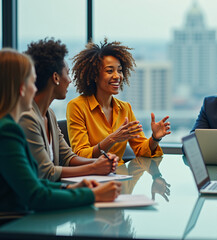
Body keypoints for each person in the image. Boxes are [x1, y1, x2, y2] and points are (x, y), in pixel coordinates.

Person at [0, 48, 122, 213]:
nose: (35, 88)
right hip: (13, 224)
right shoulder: (9, 130)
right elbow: (36, 194)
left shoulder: (45, 115)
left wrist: (71, 188)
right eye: (32, 82)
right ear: (22, 88)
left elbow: (35, 181)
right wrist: (92, 195)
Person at [19, 38, 118, 182]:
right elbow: (46, 172)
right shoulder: (27, 117)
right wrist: (94, 168)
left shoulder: (49, 114)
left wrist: (100, 162)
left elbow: (68, 158)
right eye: (67, 73)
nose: (70, 80)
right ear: (56, 78)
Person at [66, 39, 171, 161]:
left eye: (120, 71)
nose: (117, 76)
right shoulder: (77, 106)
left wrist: (155, 138)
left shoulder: (125, 108)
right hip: (92, 176)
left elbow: (141, 150)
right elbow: (81, 155)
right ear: (95, 75)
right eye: (110, 71)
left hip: (120, 175)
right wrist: (112, 139)